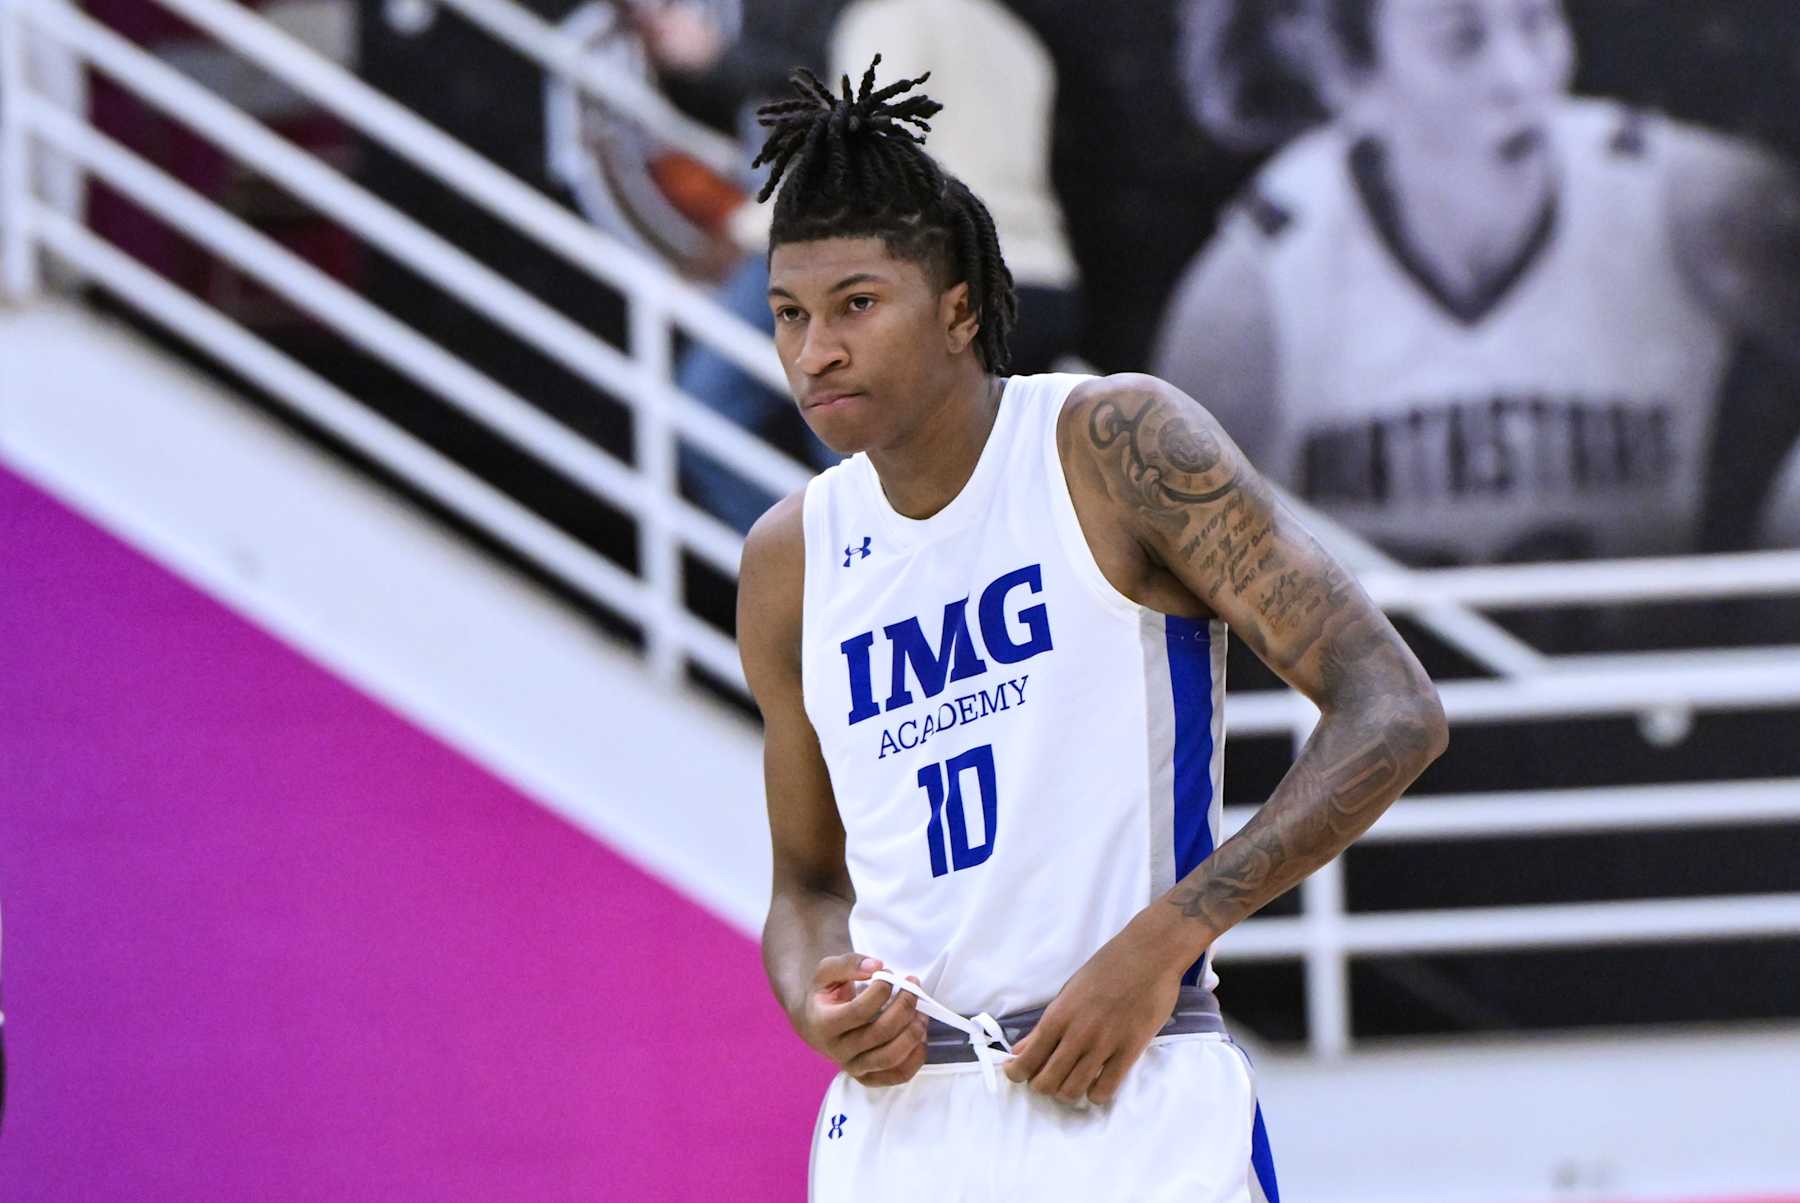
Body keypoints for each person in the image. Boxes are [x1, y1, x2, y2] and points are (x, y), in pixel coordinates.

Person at [735, 58, 1448, 1200]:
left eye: (856, 305)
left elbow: (1392, 709)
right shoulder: (790, 560)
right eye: (788, 314)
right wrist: (820, 989)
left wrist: (1164, 943)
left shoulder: (1111, 446)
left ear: (960, 304)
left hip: (1131, 1092)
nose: (814, 351)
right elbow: (805, 885)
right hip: (901, 1132)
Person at [1155, 0, 1800, 569]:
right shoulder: (1248, 300)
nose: (1521, 77)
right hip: (1378, 704)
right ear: (1349, 74)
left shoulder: (1700, 207)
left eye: (1537, 20)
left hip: (1649, 692)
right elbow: (1172, 608)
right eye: (1461, 39)